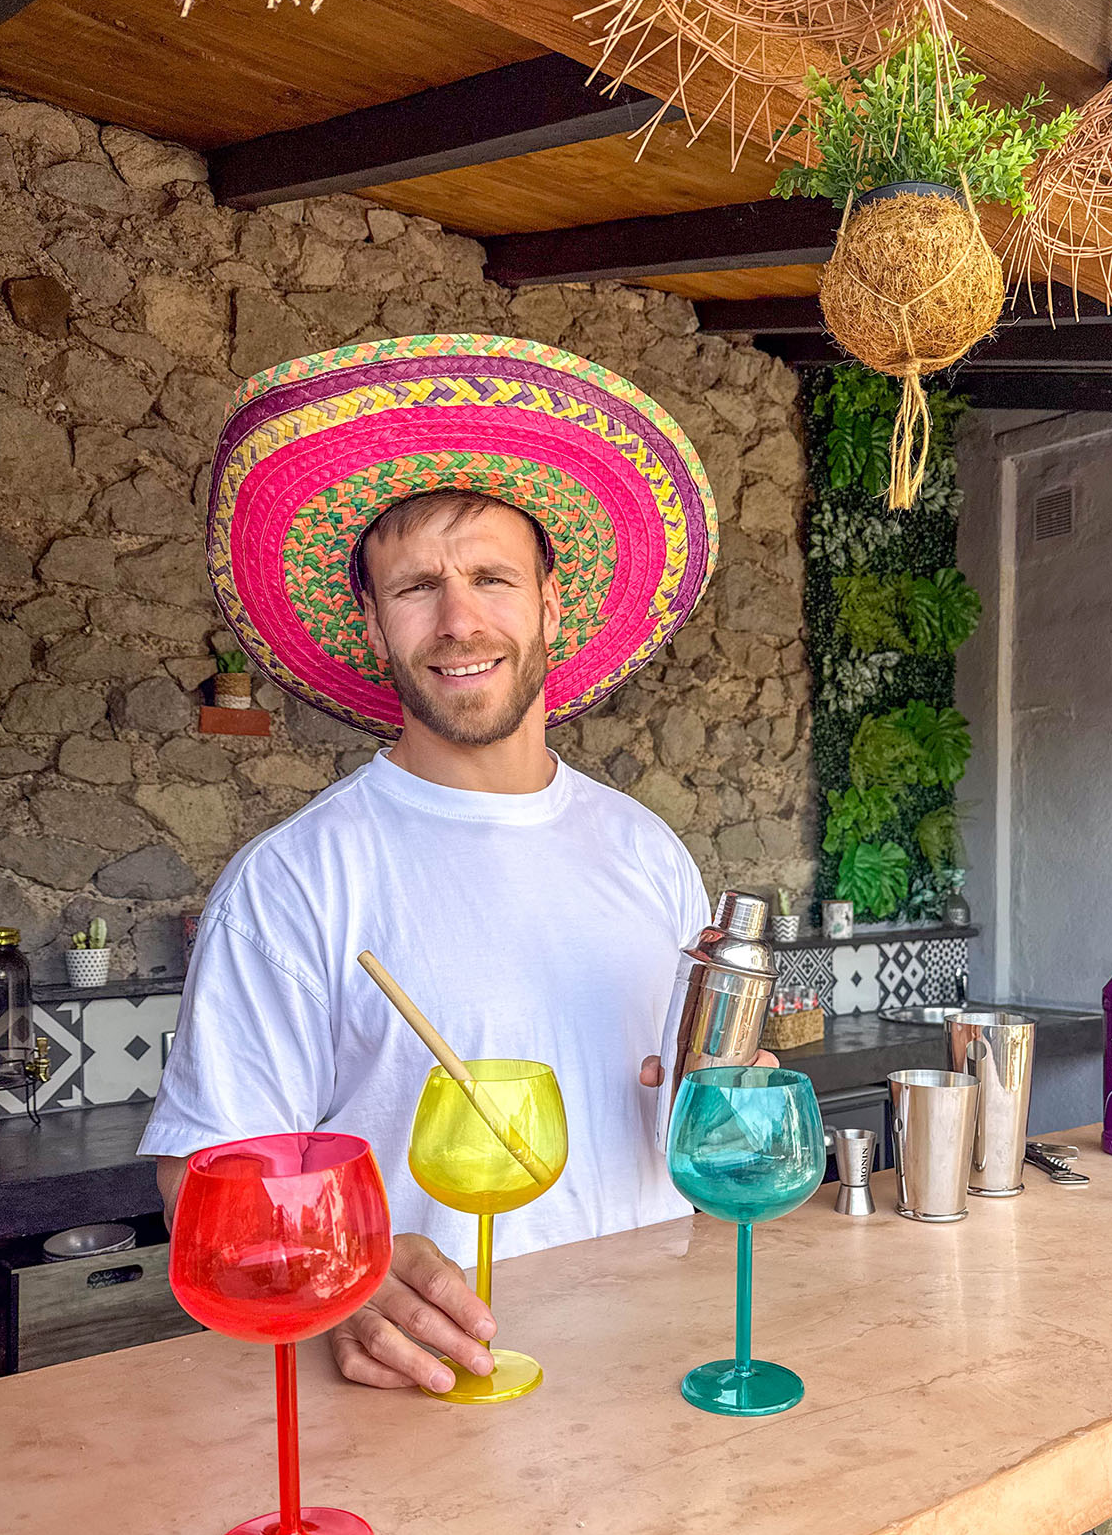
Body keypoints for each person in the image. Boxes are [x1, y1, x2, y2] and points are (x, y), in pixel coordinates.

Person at [142, 333, 767, 1395]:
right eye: (417, 587)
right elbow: (203, 1173)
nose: (460, 619)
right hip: (429, 1396)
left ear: (551, 607)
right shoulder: (297, 878)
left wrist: (724, 1103)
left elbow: (687, 1122)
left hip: (656, 1380)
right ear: (376, 626)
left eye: (491, 577)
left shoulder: (645, 850)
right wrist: (357, 1264)